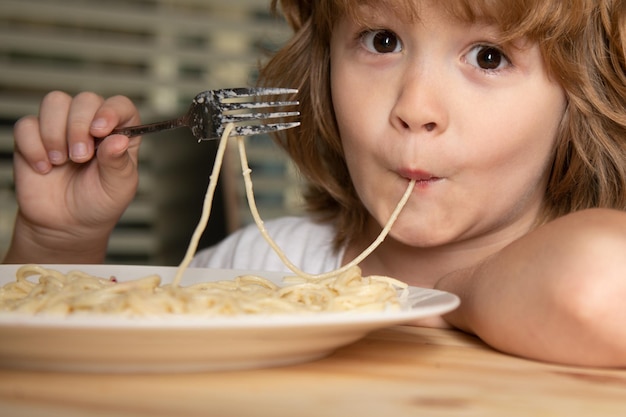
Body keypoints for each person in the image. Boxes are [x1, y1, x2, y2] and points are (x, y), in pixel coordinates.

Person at [4, 0, 626, 367]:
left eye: (488, 56)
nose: (415, 106)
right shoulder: (262, 265)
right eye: (382, 41)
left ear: (581, 100)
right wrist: (60, 244)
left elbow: (601, 283)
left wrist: (446, 294)